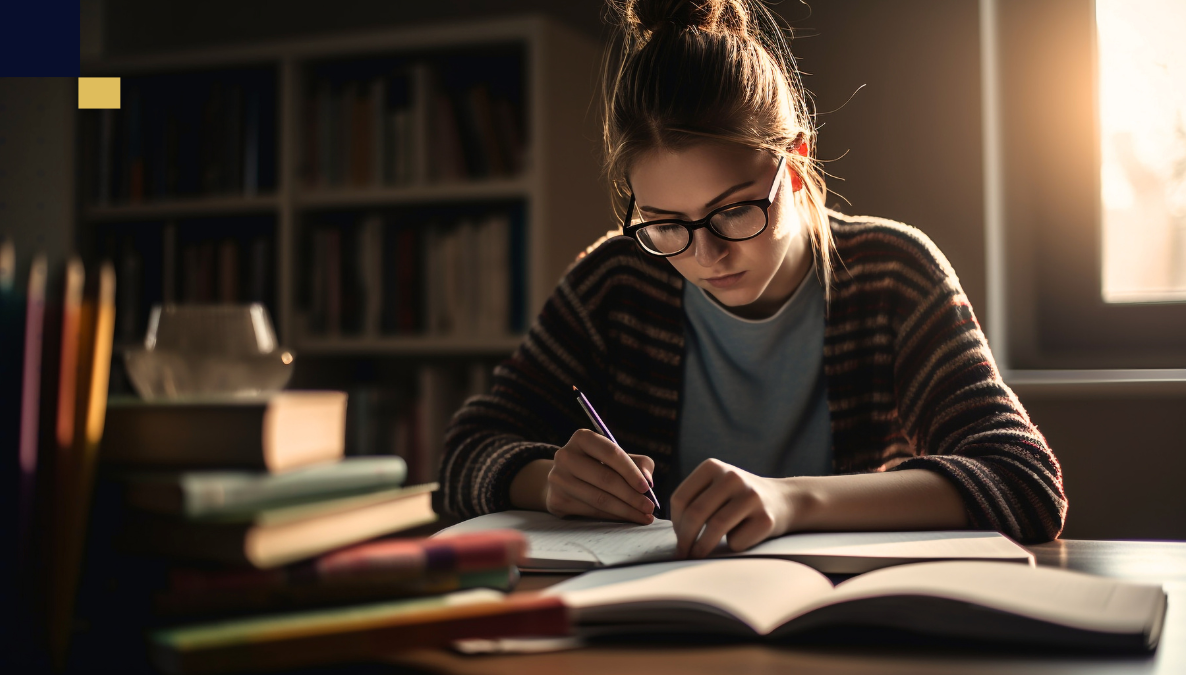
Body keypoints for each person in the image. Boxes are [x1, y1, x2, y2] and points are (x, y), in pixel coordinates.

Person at [438, 0, 1066, 557]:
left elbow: (1026, 482)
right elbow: (464, 453)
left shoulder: (894, 276)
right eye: (664, 224)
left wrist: (793, 503)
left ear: (797, 163)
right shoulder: (616, 282)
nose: (706, 254)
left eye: (735, 209)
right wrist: (545, 479)